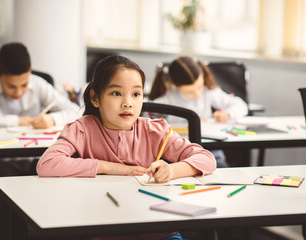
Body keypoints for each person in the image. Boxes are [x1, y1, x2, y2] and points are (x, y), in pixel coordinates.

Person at [37, 55, 216, 240]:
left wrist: (171, 170)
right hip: (107, 233)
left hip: (159, 233)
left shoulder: (155, 131)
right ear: (95, 98)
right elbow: (47, 164)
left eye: (136, 94)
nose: (128, 103)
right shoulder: (83, 129)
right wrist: (113, 168)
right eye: (116, 93)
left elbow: (207, 159)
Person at [0, 42, 82, 240]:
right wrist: (16, 120)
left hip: (35, 161)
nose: (18, 92)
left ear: (30, 73)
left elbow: (76, 112)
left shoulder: (38, 84)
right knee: (1, 188)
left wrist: (52, 119)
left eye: (24, 85)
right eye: (11, 86)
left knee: (62, 187)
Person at [149, 56, 249, 168]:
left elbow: (240, 105)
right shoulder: (166, 99)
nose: (197, 94)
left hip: (208, 148)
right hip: (176, 151)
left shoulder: (208, 91)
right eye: (190, 91)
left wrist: (227, 114)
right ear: (174, 85)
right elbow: (152, 126)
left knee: (220, 168)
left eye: (199, 87)